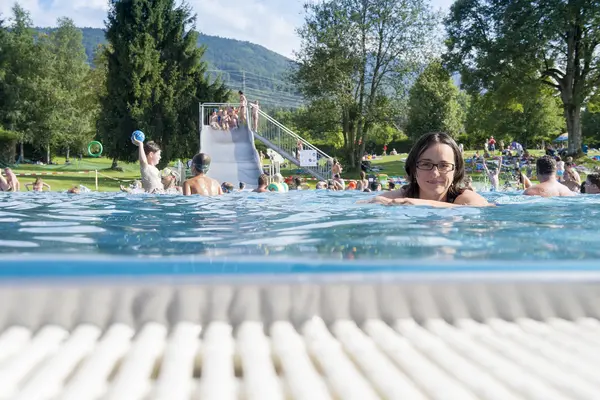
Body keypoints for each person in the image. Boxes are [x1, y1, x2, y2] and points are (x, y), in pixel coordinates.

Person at [364, 132, 489, 207]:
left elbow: (482, 207)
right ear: (413, 169)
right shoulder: (402, 197)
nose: (435, 173)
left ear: (456, 170)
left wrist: (424, 205)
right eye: (425, 164)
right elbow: (362, 205)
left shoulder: (463, 198)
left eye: (444, 165)